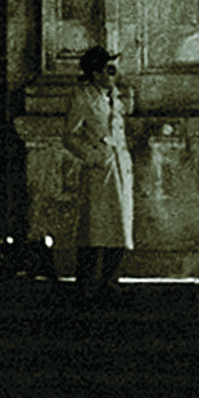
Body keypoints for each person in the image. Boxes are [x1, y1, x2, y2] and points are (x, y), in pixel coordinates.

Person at [62, 45, 139, 302]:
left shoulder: (115, 96)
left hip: (119, 168)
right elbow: (70, 136)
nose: (114, 74)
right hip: (99, 171)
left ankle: (109, 280)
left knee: (119, 226)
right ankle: (86, 282)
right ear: (96, 74)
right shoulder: (83, 97)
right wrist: (94, 156)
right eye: (109, 70)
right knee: (93, 228)